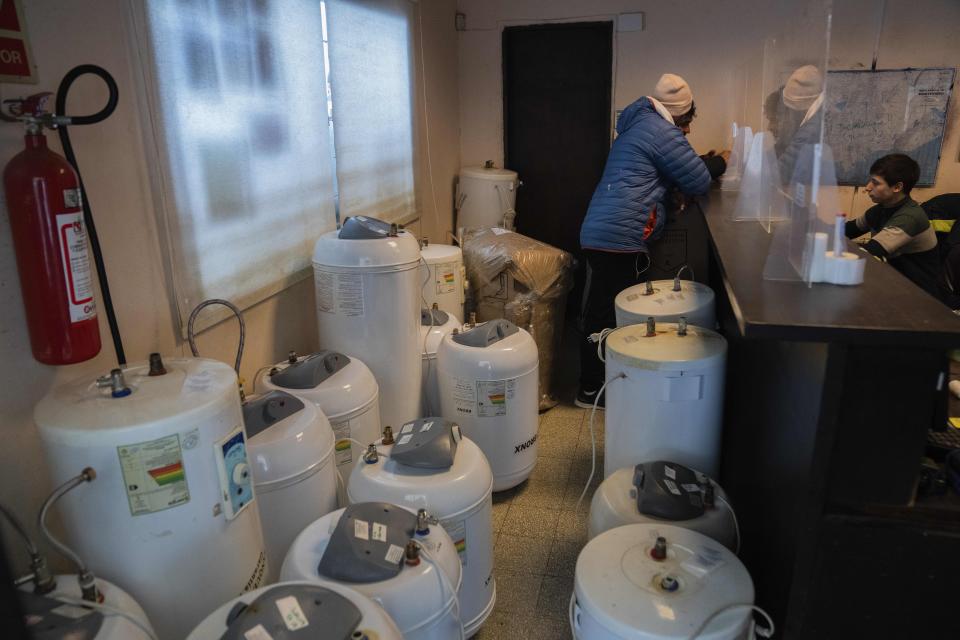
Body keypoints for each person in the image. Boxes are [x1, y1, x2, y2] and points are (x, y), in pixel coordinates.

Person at [576, 73, 724, 409]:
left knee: (603, 310)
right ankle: (591, 389)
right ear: (681, 116)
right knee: (607, 315)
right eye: (686, 126)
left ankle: (599, 384)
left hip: (606, 233)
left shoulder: (639, 126)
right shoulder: (660, 131)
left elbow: (660, 175)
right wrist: (720, 161)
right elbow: (699, 179)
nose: (686, 133)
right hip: (619, 238)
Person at [845, 154, 941, 300]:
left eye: (875, 183)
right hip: (893, 280)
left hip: (918, 294)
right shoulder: (881, 209)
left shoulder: (909, 217)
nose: (867, 188)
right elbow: (847, 230)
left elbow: (869, 253)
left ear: (897, 187)